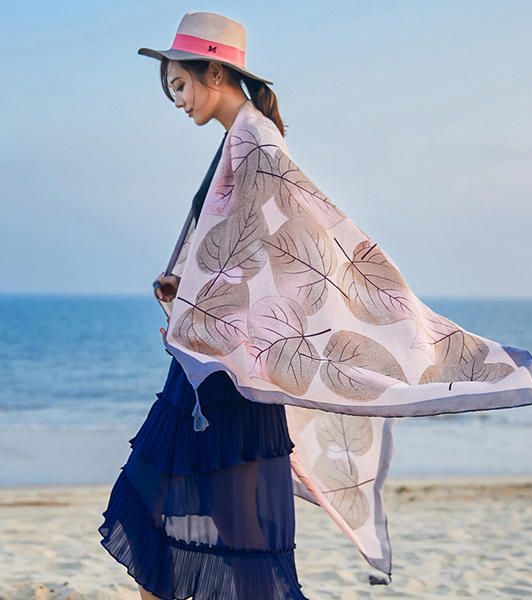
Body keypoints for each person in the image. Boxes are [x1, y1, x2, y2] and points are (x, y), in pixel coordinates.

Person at [98, 11, 309, 600]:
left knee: (206, 520)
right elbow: (235, 249)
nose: (176, 100)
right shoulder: (237, 142)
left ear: (214, 70)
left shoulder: (259, 144)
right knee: (171, 513)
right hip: (210, 364)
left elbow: (278, 254)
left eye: (180, 85)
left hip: (228, 368)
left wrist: (199, 292)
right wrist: (184, 282)